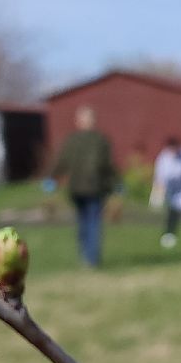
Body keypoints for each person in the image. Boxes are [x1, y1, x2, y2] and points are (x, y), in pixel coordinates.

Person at [48, 106, 118, 268]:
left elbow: (61, 162)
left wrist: (52, 177)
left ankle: (86, 256)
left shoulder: (72, 140)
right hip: (94, 188)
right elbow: (107, 165)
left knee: (84, 221)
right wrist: (115, 183)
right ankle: (91, 259)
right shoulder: (100, 140)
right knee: (92, 221)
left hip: (78, 189)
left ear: (78, 121)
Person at [154, 138, 181, 249]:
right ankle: (169, 234)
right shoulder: (163, 158)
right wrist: (159, 194)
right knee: (173, 211)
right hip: (172, 189)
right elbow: (161, 177)